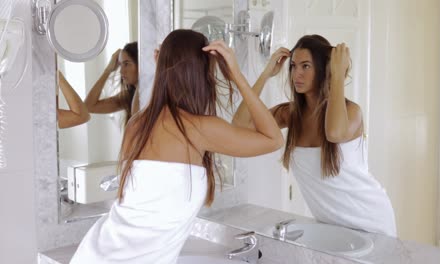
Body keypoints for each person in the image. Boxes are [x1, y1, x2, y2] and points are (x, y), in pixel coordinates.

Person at [70, 29, 283, 264]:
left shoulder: (137, 123)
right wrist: (236, 75)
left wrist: (163, 68)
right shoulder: (199, 128)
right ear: (203, 73)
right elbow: (273, 138)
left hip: (94, 252)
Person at [232, 35, 396, 237]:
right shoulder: (291, 114)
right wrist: (266, 74)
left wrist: (336, 75)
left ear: (322, 69)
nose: (296, 74)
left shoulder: (351, 112)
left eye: (305, 66)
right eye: (293, 66)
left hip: (371, 221)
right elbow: (240, 125)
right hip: (331, 228)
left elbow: (334, 134)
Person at [85, 42, 139, 126]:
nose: (121, 71)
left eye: (126, 64)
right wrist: (108, 70)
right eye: (120, 65)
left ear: (141, 64)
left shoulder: (157, 94)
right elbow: (88, 106)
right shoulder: (127, 96)